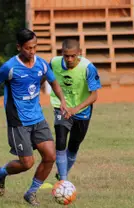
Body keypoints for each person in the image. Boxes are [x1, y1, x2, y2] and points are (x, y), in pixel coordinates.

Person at [0, 28, 67, 206]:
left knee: (50, 156)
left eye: (35, 47)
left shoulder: (42, 64)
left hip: (37, 118)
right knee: (27, 163)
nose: (32, 51)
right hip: (18, 121)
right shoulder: (9, 67)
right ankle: (1, 172)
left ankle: (31, 193)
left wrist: (63, 101)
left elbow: (53, 82)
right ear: (19, 47)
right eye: (28, 48)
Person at [49, 39, 101, 181]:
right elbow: (44, 78)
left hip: (82, 112)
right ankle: (64, 181)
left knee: (73, 146)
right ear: (62, 53)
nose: (70, 59)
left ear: (80, 53)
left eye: (73, 56)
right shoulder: (54, 63)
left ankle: (61, 175)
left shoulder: (88, 67)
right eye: (66, 56)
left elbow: (94, 95)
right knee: (60, 141)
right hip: (62, 108)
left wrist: (75, 109)